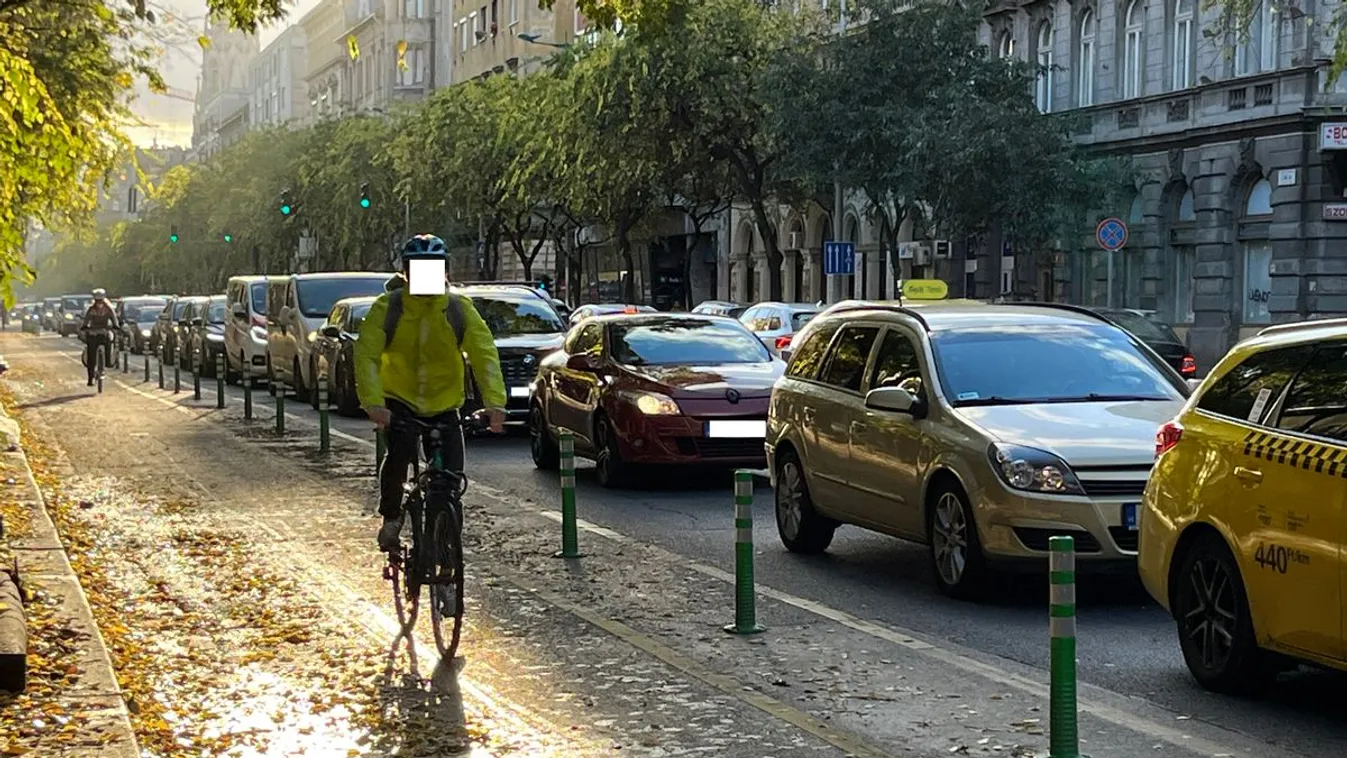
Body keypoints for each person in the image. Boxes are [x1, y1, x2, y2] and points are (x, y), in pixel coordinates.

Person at [354, 234, 508, 552]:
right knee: (398, 456)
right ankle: (392, 517)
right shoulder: (388, 308)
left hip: (445, 404)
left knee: (450, 480)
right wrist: (374, 404)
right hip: (400, 401)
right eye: (418, 268)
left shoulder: (457, 309)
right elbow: (366, 355)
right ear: (406, 272)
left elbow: (484, 354)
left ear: (445, 271)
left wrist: (495, 404)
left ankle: (446, 542)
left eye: (433, 268)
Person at [80, 289, 119, 386]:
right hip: (93, 333)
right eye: (97, 301)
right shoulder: (91, 309)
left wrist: (115, 326)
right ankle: (91, 378)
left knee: (109, 343)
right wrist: (85, 327)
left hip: (105, 332)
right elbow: (86, 321)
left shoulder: (109, 309)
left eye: (101, 301)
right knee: (91, 354)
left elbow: (114, 319)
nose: (99, 303)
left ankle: (108, 362)